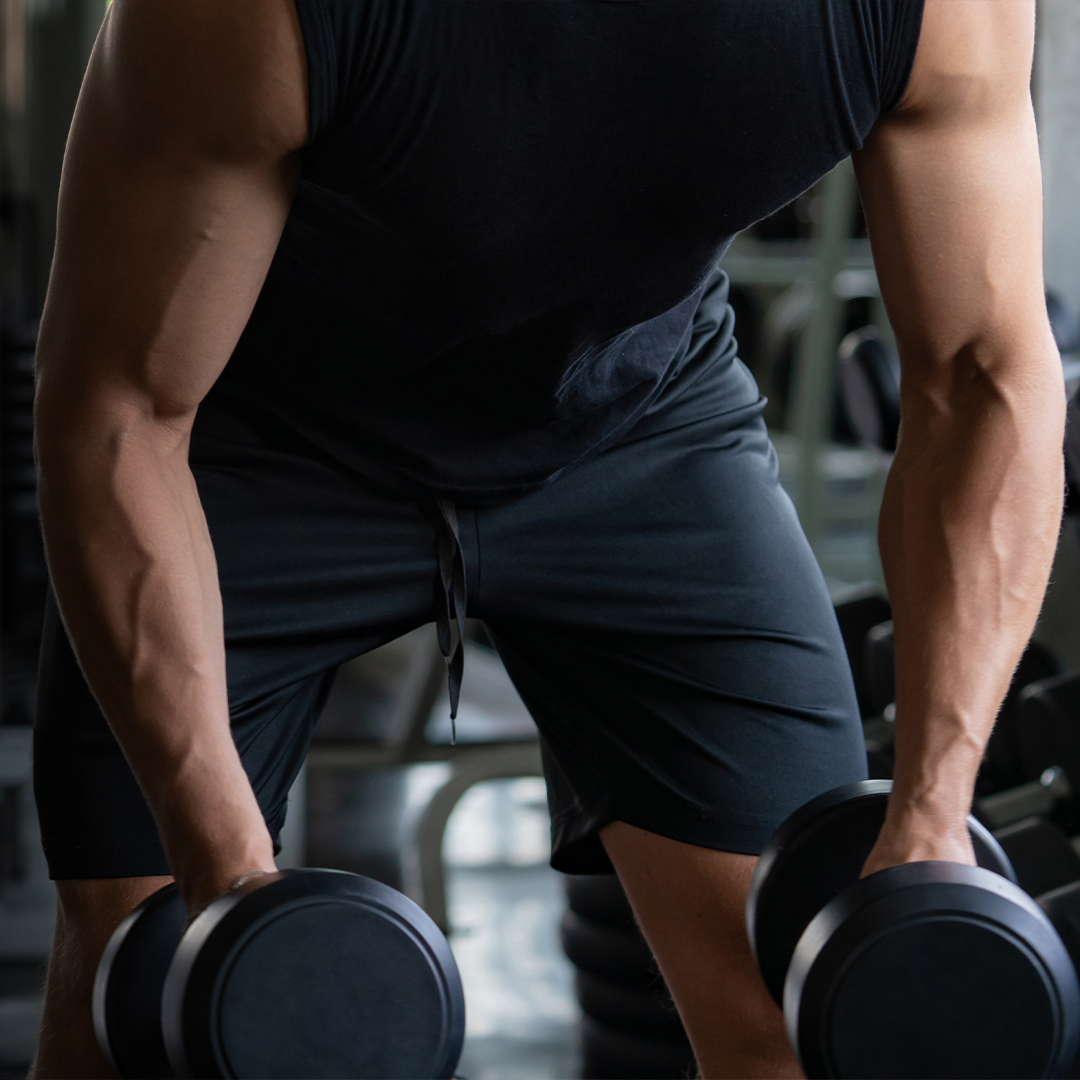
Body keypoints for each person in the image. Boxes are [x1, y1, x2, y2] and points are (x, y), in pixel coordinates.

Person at [29, 1, 1065, 1077]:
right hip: (260, 438)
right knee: (142, 1001)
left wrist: (935, 818)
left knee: (811, 1000)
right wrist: (229, 886)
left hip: (642, 423)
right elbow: (119, 410)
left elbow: (984, 377)